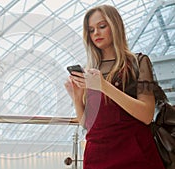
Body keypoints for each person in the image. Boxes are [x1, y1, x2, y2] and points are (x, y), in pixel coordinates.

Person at [64, 4, 166, 169]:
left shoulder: (138, 62)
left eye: (102, 26)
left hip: (134, 153)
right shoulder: (91, 70)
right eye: (91, 30)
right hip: (97, 155)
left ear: (115, 26)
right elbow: (88, 125)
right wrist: (76, 97)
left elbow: (147, 115)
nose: (96, 33)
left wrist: (104, 87)